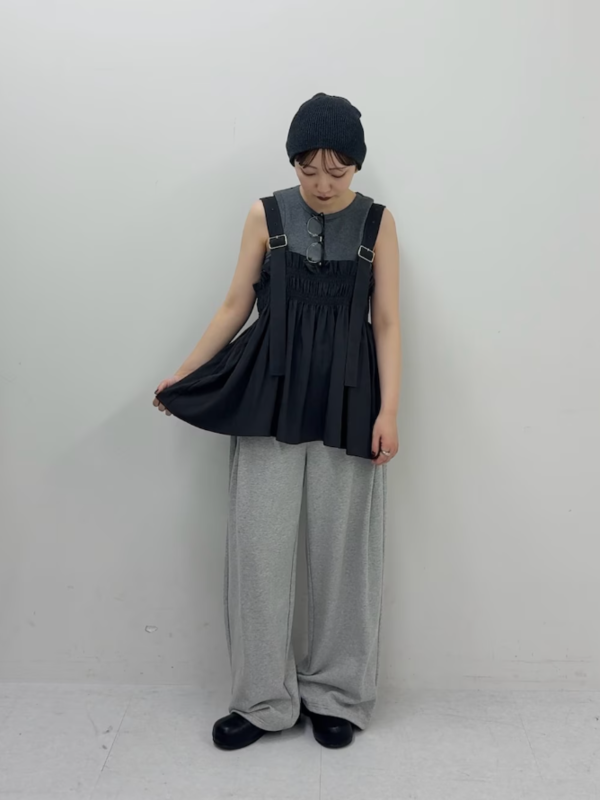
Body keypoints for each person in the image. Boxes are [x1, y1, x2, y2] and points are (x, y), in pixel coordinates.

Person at [153, 93, 401, 750]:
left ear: (356, 164)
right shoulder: (265, 215)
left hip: (351, 405)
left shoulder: (378, 224)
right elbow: (234, 304)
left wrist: (389, 411)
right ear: (293, 161)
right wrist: (184, 375)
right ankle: (263, 700)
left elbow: (388, 322)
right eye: (308, 168)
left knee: (345, 559)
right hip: (269, 401)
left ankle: (337, 695)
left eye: (337, 170)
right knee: (259, 554)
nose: (322, 183)